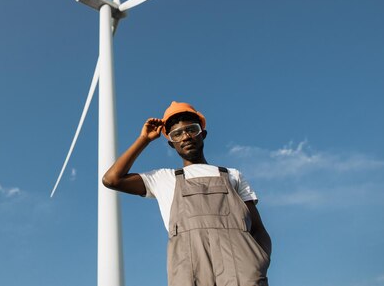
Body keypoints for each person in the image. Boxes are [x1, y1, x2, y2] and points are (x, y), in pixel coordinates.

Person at [103, 101, 272, 286]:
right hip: (189, 271)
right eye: (177, 134)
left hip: (242, 269)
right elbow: (112, 179)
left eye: (192, 129)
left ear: (203, 134)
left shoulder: (233, 175)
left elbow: (258, 228)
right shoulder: (163, 178)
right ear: (171, 144)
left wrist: (258, 263)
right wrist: (144, 139)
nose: (185, 137)